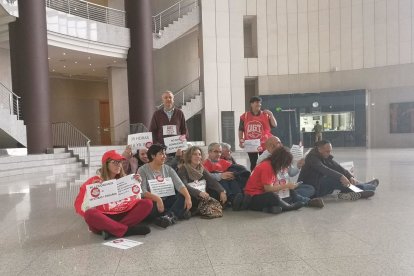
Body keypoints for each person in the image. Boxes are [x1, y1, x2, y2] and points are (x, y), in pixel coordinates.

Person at [74, 150, 153, 240]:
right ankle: (127, 230)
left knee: (147, 203)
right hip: (105, 217)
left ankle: (113, 231)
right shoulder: (94, 180)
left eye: (120, 162)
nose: (119, 165)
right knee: (90, 214)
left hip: (123, 214)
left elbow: (136, 200)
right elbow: (84, 207)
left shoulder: (126, 179)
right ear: (106, 164)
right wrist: (92, 191)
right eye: (115, 162)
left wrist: (136, 185)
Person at [298, 140, 378, 200]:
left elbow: (337, 167)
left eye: (330, 151)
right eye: (327, 151)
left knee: (337, 178)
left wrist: (349, 176)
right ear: (319, 149)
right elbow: (324, 169)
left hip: (318, 184)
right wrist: (341, 177)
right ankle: (360, 190)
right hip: (311, 187)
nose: (329, 153)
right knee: (334, 180)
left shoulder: (323, 156)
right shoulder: (311, 158)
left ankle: (361, 186)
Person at [138, 144, 192, 228]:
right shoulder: (142, 170)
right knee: (149, 207)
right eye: (161, 154)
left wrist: (188, 197)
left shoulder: (168, 168)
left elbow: (179, 184)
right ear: (153, 156)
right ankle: (175, 213)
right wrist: (158, 199)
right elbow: (142, 191)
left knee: (183, 196)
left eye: (165, 154)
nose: (164, 156)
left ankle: (167, 217)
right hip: (154, 202)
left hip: (167, 199)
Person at [244, 147, 309, 214]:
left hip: (260, 195)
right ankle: (288, 207)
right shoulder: (267, 166)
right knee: (271, 196)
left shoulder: (271, 165)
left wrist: (287, 187)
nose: (285, 167)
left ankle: (270, 209)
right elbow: (268, 189)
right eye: (285, 164)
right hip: (253, 198)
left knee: (288, 191)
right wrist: (286, 185)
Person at [177, 146, 227, 214]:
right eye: (195, 154)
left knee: (216, 192)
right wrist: (199, 193)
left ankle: (197, 210)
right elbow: (184, 185)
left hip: (203, 195)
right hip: (191, 195)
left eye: (199, 154)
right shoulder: (183, 169)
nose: (198, 156)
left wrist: (222, 191)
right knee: (182, 198)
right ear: (189, 156)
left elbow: (212, 180)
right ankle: (195, 210)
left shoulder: (201, 168)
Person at [203, 142, 250, 210]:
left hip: (228, 181)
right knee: (223, 180)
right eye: (216, 152)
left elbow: (240, 168)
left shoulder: (222, 161)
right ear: (209, 152)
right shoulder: (205, 163)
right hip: (214, 185)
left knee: (233, 177)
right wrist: (221, 175)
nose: (218, 154)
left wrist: (233, 175)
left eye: (220, 152)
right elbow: (206, 176)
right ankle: (234, 200)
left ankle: (239, 198)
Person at [149, 91, 188, 169]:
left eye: (170, 97)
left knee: (178, 170)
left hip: (177, 149)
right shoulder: (157, 114)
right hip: (162, 150)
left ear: (173, 100)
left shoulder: (179, 113)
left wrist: (182, 144)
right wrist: (158, 146)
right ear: (162, 100)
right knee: (164, 169)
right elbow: (152, 131)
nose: (168, 99)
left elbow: (184, 130)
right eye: (166, 97)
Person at [239, 96, 277, 171]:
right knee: (253, 163)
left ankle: (264, 177)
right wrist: (241, 140)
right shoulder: (245, 116)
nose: (259, 104)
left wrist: (271, 115)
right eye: (257, 102)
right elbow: (241, 129)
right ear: (251, 104)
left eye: (260, 103)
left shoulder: (265, 114)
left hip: (264, 143)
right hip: (250, 144)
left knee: (264, 162)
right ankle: (254, 178)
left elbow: (274, 125)